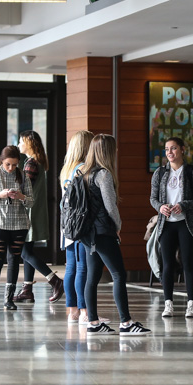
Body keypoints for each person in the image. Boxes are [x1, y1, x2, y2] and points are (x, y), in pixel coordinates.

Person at [82, 134, 151, 336]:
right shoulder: (104, 175)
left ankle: (93, 322)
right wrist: (118, 226)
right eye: (115, 149)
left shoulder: (84, 173)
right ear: (108, 152)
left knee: (92, 277)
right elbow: (110, 206)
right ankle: (126, 322)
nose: (117, 152)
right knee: (119, 274)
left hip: (87, 233)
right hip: (103, 231)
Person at [150, 137, 193, 318]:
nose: (169, 153)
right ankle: (168, 304)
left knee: (188, 262)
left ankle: (191, 304)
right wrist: (160, 207)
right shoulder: (159, 173)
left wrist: (184, 205)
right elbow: (153, 198)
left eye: (173, 148)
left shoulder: (191, 173)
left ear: (182, 149)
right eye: (166, 149)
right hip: (166, 224)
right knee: (167, 264)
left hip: (186, 223)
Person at [12, 130, 64, 303]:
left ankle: (55, 280)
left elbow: (23, 188)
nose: (18, 144)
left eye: (21, 141)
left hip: (28, 213)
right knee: (28, 250)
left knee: (24, 252)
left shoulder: (31, 164)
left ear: (29, 142)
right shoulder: (37, 162)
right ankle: (27, 289)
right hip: (34, 212)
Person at [58, 130, 101, 324]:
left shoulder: (67, 169)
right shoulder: (85, 168)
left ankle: (73, 310)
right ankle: (85, 312)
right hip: (82, 224)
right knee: (83, 267)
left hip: (67, 224)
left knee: (71, 268)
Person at [0, 145, 34, 310]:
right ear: (1, 161)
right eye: (7, 164)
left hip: (19, 224)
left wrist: (21, 197)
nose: (11, 168)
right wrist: (0, 195)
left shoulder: (23, 176)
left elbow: (31, 202)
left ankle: (9, 299)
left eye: (14, 164)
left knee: (14, 261)